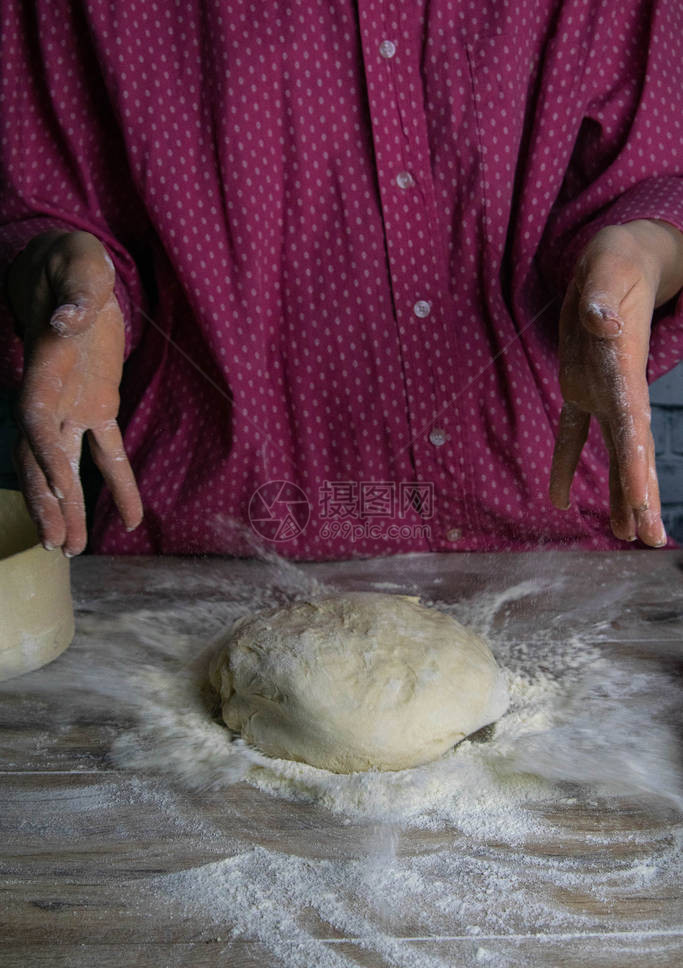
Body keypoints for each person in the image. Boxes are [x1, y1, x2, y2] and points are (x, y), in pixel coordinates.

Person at [1, 0, 681, 559]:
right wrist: (64, 285)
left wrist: (636, 256)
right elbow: (40, 206)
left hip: (549, 538)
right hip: (212, 546)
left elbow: (655, 178)